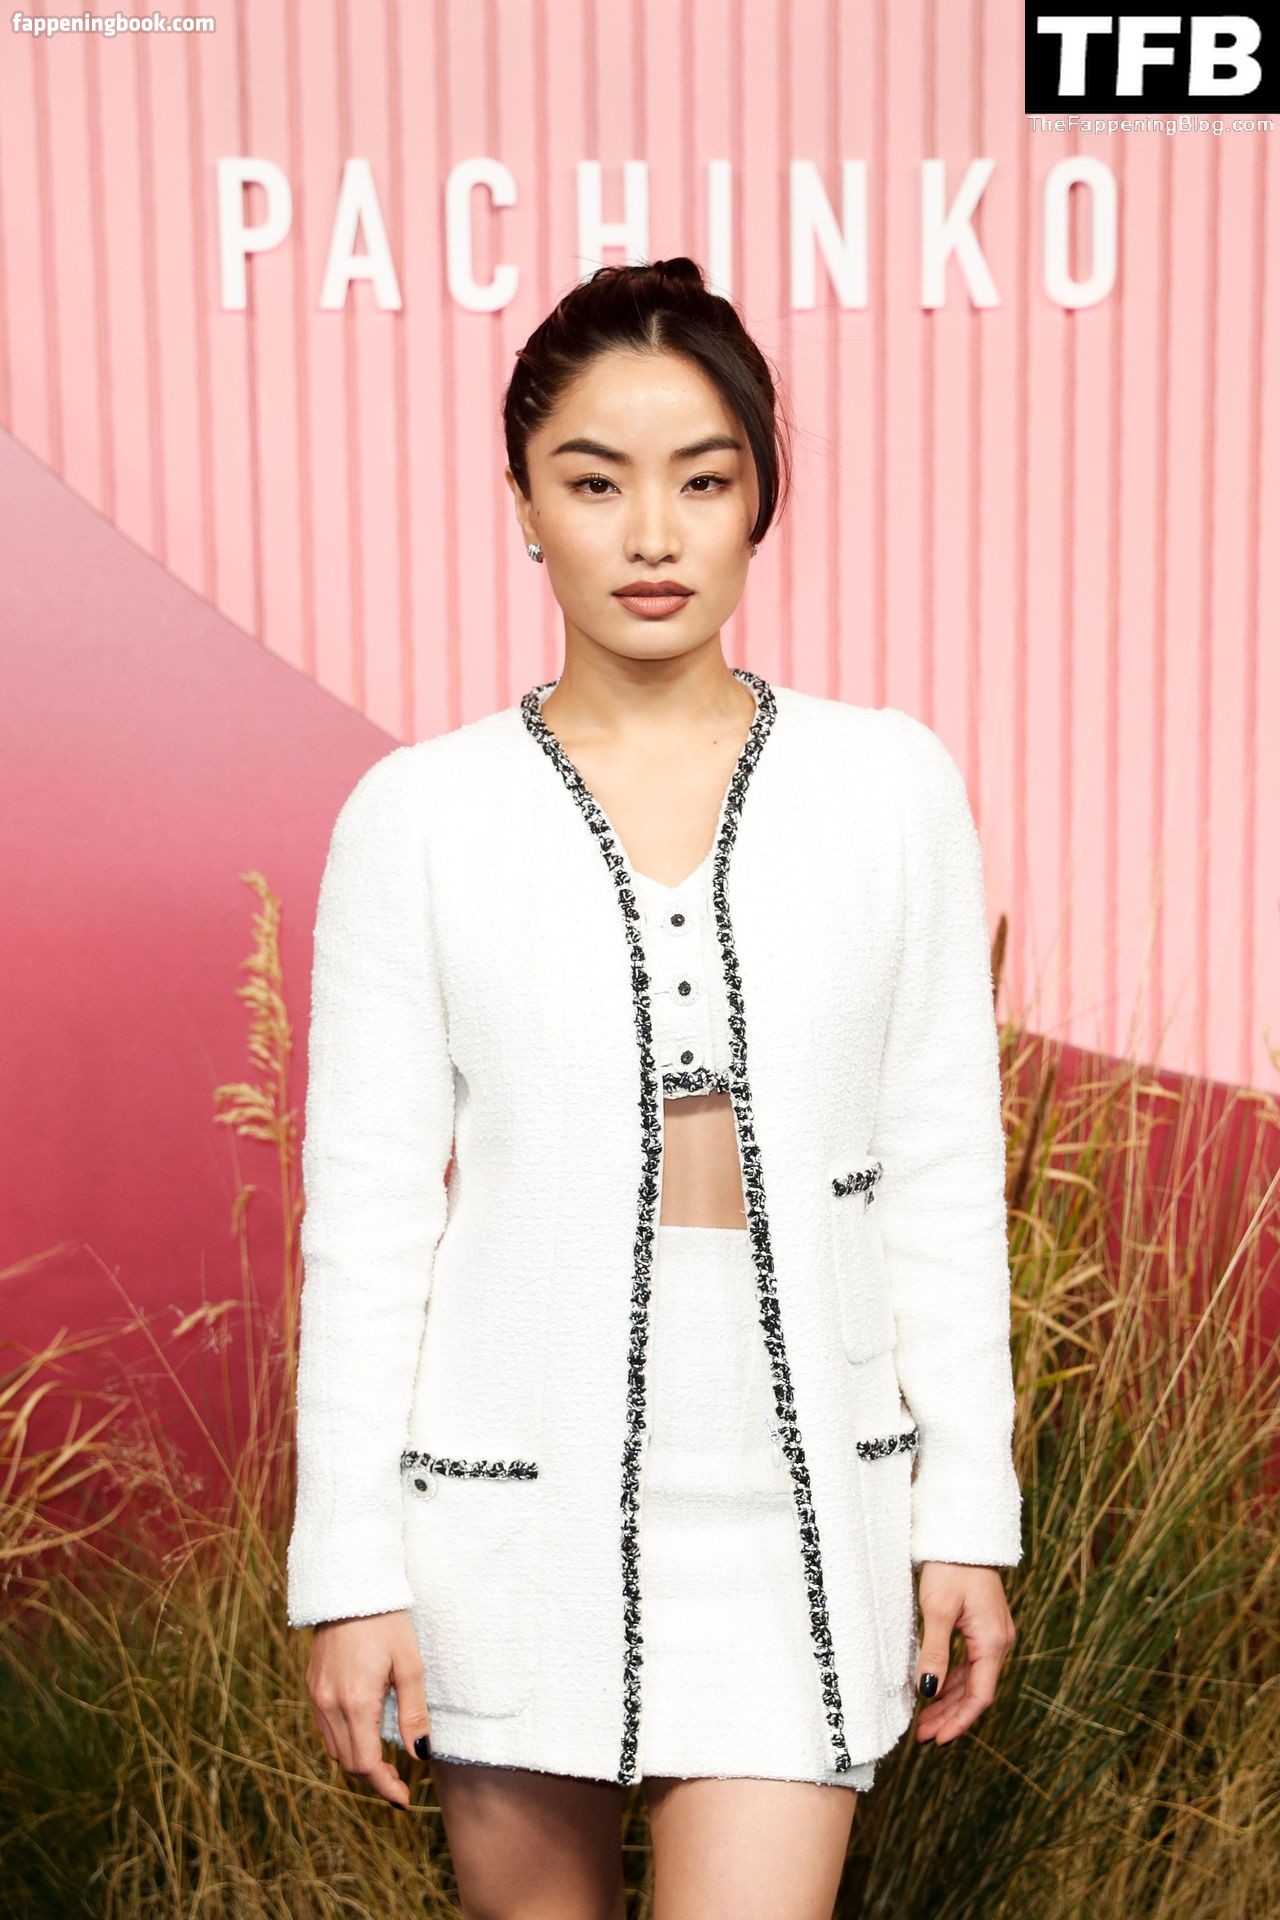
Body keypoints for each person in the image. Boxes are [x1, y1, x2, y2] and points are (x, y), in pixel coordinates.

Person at [286, 257, 1023, 1920]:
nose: (651, 535)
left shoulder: (889, 788)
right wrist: (349, 1568)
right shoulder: (421, 817)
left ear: (761, 498)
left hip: (801, 1509)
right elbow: (370, 1223)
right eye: (594, 481)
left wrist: (966, 1513)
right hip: (507, 1514)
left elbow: (941, 1179)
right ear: (523, 507)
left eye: (701, 480)